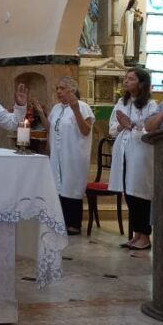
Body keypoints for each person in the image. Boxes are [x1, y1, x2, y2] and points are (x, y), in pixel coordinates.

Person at [108, 67, 159, 250]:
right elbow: (112, 128)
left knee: (140, 194)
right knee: (128, 192)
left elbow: (149, 130)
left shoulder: (151, 105)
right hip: (123, 150)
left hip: (141, 152)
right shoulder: (122, 101)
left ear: (141, 83)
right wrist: (122, 126)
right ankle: (136, 234)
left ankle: (145, 235)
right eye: (126, 78)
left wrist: (130, 125)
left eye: (131, 78)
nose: (126, 81)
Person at [47, 76, 95, 235]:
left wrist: (75, 110)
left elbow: (86, 130)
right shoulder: (56, 108)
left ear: (72, 90)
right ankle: (61, 221)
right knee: (59, 186)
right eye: (57, 88)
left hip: (74, 154)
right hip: (58, 155)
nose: (59, 91)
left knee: (72, 186)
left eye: (62, 88)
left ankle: (74, 224)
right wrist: (40, 112)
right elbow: (51, 127)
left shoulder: (83, 107)